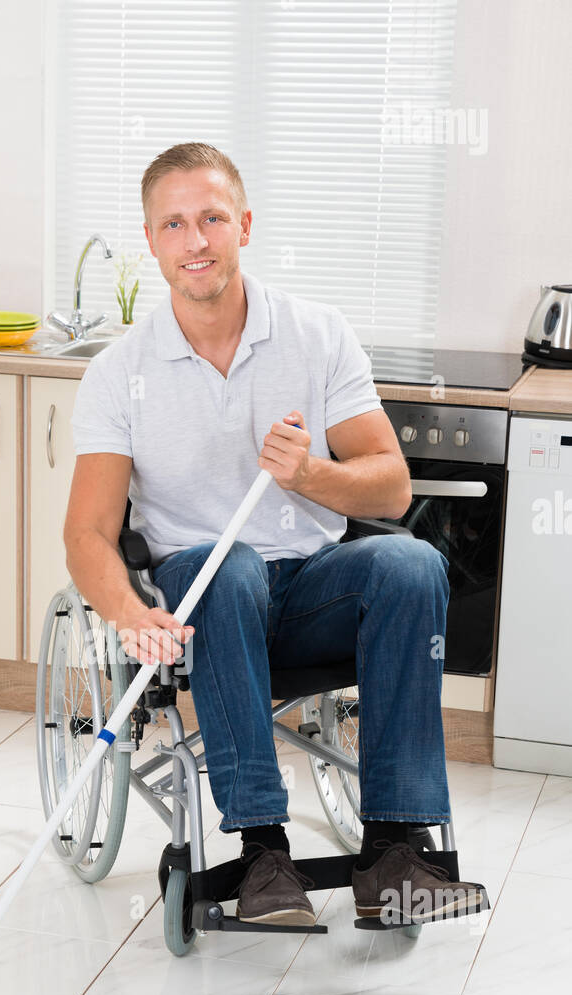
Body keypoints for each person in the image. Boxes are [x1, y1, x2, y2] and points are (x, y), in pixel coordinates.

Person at [63, 141, 481, 928]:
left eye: (212, 218)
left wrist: (310, 477)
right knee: (228, 574)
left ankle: (395, 853)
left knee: (409, 563)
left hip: (309, 590)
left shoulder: (314, 335)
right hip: (204, 598)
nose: (196, 241)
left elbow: (389, 487)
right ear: (151, 240)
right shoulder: (119, 373)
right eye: (175, 224)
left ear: (244, 225)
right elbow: (87, 530)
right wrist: (127, 613)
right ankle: (261, 853)